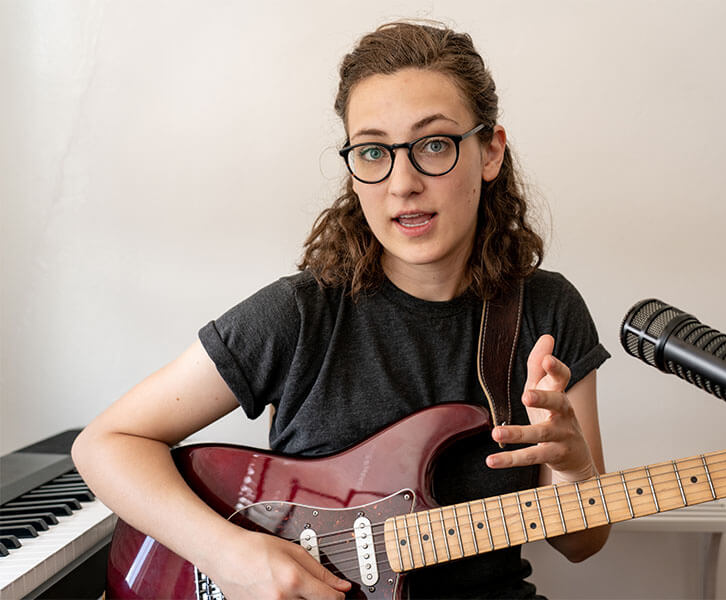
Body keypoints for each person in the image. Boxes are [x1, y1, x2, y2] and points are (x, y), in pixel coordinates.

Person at [73, 20, 611, 599]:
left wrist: (577, 470)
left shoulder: (548, 311)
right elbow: (106, 443)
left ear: (490, 152)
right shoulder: (300, 315)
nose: (402, 183)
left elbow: (580, 544)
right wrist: (229, 554)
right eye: (374, 152)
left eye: (434, 144)